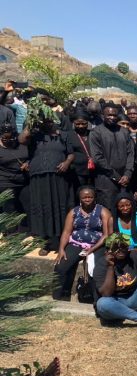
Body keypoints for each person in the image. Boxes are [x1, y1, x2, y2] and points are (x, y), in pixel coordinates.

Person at [19, 103, 75, 255]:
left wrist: (67, 162)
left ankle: (59, 241)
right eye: (44, 120)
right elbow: (22, 139)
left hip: (58, 177)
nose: (47, 123)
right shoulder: (35, 135)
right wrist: (32, 121)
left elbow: (71, 153)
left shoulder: (63, 135)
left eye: (49, 120)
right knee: (42, 208)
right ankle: (45, 242)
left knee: (58, 207)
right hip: (39, 177)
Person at [52, 187, 110, 300]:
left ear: (94, 198)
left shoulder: (103, 211)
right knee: (61, 266)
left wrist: (91, 250)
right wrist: (61, 249)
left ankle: (96, 299)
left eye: (90, 197)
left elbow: (106, 235)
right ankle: (60, 296)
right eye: (84, 197)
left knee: (96, 268)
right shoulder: (74, 212)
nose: (87, 199)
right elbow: (66, 232)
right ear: (80, 198)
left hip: (96, 246)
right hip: (76, 243)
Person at [89, 103, 134, 210]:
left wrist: (128, 173)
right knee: (108, 212)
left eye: (114, 115)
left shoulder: (124, 132)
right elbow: (97, 158)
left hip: (125, 179)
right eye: (109, 115)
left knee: (125, 211)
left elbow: (131, 153)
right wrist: (116, 176)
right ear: (102, 115)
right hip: (106, 180)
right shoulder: (96, 133)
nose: (112, 118)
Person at [0, 122, 29, 221]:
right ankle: (10, 234)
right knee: (9, 209)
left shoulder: (21, 143)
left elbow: (32, 156)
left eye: (9, 138)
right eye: (4, 138)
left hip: (23, 181)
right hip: (6, 182)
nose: (7, 140)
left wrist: (28, 163)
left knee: (26, 207)